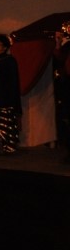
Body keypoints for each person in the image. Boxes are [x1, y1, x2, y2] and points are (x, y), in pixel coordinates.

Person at [53, 21, 70, 163]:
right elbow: (59, 57)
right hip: (67, 87)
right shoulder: (67, 47)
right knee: (66, 120)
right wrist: (58, 42)